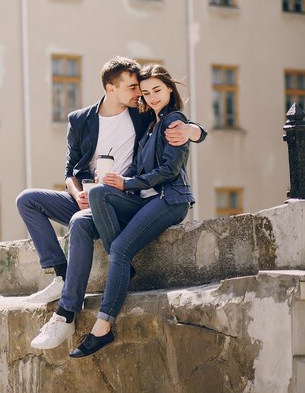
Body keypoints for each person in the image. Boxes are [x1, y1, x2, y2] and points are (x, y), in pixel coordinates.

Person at [16, 57, 206, 350]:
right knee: (27, 199)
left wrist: (195, 131)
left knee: (87, 223)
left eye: (142, 89)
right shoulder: (81, 120)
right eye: (133, 88)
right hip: (88, 196)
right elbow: (69, 171)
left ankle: (68, 313)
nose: (140, 95)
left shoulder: (142, 114)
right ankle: (61, 275)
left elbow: (177, 120)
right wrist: (76, 190)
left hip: (122, 199)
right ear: (110, 88)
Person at [67, 63, 195, 358]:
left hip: (170, 200)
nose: (151, 97)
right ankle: (121, 265)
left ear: (170, 89)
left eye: (157, 90)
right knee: (99, 192)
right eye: (146, 92)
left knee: (122, 248)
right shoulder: (150, 123)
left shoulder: (174, 121)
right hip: (147, 199)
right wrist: (115, 181)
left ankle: (103, 326)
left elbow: (169, 170)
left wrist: (128, 183)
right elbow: (137, 167)